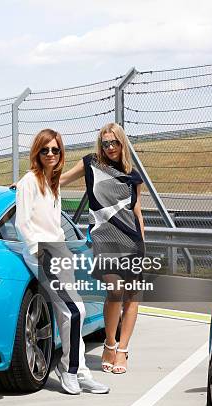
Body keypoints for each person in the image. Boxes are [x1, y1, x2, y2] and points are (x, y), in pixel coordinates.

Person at [15, 128, 109, 395]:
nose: (51, 154)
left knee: (72, 312)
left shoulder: (52, 183)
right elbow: (22, 222)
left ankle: (79, 370)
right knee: (74, 310)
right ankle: (68, 370)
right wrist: (38, 251)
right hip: (43, 251)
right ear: (37, 152)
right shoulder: (29, 182)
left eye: (55, 150)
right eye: (45, 150)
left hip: (60, 249)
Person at [60, 122, 145, 375]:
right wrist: (30, 182)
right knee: (115, 291)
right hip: (104, 237)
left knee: (131, 296)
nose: (110, 147)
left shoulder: (133, 175)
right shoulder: (91, 164)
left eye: (114, 142)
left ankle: (122, 350)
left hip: (131, 239)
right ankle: (109, 342)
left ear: (122, 143)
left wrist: (142, 242)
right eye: (105, 143)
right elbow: (61, 179)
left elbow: (136, 210)